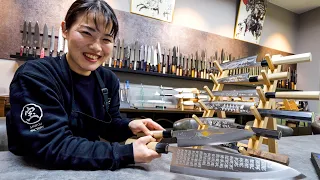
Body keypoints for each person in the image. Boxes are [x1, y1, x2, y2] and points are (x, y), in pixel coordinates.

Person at [6, 0, 164, 170]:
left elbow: (109, 126)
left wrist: (129, 126)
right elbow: (52, 146)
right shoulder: (36, 76)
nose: (96, 47)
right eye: (87, 33)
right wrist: (126, 153)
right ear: (65, 29)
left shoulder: (108, 80)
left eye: (106, 39)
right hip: (33, 171)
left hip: (85, 167)